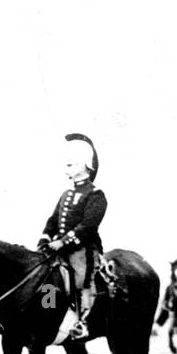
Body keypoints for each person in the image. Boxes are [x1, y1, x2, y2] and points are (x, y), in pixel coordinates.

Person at [36, 134, 107, 341]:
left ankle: (82, 322)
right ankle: (48, 311)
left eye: (72, 163)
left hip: (81, 248)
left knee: (80, 278)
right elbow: (52, 220)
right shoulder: (66, 194)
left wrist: (62, 242)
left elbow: (87, 227)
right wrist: (45, 239)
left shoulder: (96, 194)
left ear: (85, 165)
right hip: (58, 247)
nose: (67, 167)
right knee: (44, 275)